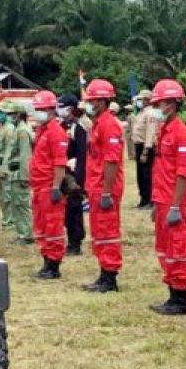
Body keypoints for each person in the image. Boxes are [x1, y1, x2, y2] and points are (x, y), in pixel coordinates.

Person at [147, 80, 186, 316]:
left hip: (175, 202)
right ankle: (172, 294)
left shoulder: (181, 134)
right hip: (164, 199)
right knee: (165, 248)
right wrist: (158, 203)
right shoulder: (164, 131)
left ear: (174, 104)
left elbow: (183, 173)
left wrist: (176, 205)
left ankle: (180, 299)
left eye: (161, 103)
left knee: (177, 248)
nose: (157, 107)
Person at [82, 80, 126, 293]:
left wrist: (107, 191)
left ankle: (110, 278)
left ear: (102, 101)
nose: (89, 103)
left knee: (108, 232)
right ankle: (103, 273)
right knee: (99, 232)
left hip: (105, 187)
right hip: (96, 186)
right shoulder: (99, 123)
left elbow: (111, 161)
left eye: (92, 100)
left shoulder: (109, 125)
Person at [30, 91, 70, 279]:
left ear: (50, 110)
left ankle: (53, 265)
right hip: (38, 186)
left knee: (52, 226)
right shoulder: (42, 131)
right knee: (41, 225)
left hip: (48, 186)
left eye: (40, 109)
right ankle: (46, 260)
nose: (37, 113)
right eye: (36, 109)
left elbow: (59, 163)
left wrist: (56, 187)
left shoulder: (56, 132)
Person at [58, 94, 90, 257]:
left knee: (74, 210)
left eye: (61, 106)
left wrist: (79, 181)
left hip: (73, 176)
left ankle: (75, 242)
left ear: (70, 108)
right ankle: (69, 240)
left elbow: (82, 156)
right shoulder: (61, 126)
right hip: (62, 174)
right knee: (64, 211)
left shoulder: (79, 128)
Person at [6, 101, 35, 245]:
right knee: (17, 205)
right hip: (14, 173)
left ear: (18, 114)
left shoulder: (23, 131)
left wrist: (25, 176)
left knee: (22, 205)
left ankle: (27, 234)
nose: (9, 116)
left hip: (20, 173)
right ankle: (22, 233)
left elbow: (25, 155)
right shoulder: (19, 129)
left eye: (11, 114)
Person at [130, 89, 158, 209]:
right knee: (140, 175)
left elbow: (150, 133)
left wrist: (146, 151)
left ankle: (150, 200)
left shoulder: (151, 113)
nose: (139, 101)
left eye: (141, 99)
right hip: (138, 145)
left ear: (147, 100)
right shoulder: (141, 113)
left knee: (147, 175)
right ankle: (143, 198)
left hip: (146, 147)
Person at [0, 102, 17, 230]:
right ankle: (7, 220)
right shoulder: (2, 128)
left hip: (6, 168)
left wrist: (4, 168)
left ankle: (10, 221)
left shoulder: (9, 129)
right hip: (1, 167)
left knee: (8, 196)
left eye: (0, 112)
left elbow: (9, 150)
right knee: (2, 196)